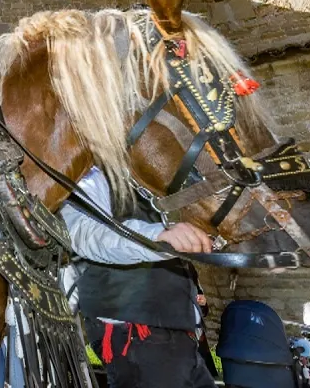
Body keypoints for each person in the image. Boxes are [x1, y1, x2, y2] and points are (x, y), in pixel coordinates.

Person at [59, 166, 218, 388]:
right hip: (136, 332)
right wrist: (157, 236)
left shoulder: (144, 178)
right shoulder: (89, 173)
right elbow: (84, 233)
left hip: (177, 333)